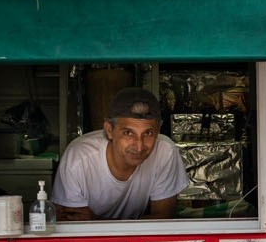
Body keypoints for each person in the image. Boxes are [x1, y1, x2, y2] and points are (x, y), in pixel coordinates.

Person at [54, 87, 188, 220]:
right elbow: (71, 225)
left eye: (148, 133)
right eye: (128, 133)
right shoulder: (79, 158)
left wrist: (97, 221)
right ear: (109, 130)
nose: (139, 146)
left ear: (158, 131)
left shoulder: (165, 151)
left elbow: (163, 219)